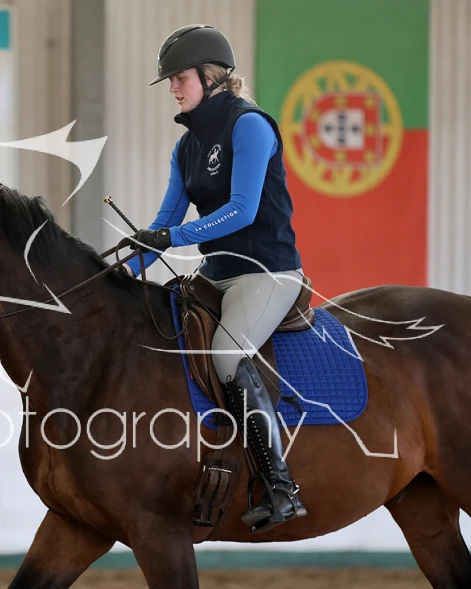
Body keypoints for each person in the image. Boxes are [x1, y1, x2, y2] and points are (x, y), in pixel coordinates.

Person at [119, 24, 307, 530]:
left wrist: (172, 238)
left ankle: (281, 487)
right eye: (171, 81)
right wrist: (117, 272)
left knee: (227, 354)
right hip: (216, 274)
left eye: (180, 79)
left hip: (266, 273)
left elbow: (243, 210)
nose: (174, 89)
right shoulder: (186, 148)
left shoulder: (250, 126)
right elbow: (163, 224)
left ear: (211, 76)